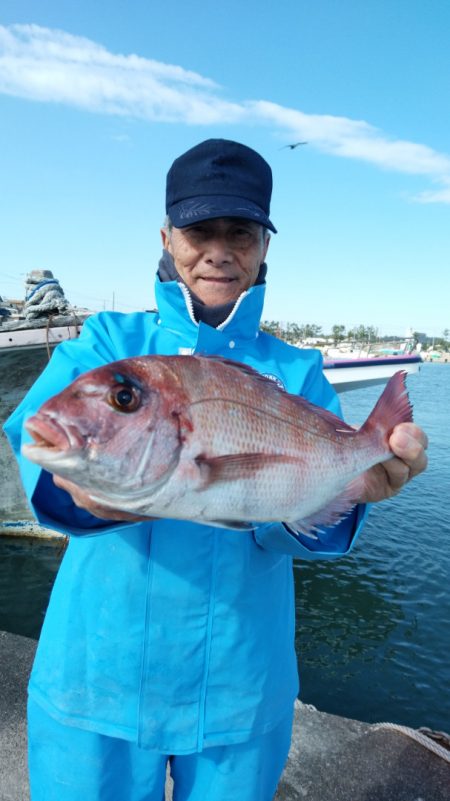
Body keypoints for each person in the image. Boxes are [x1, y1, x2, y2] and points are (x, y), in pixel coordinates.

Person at [4, 139, 428, 801]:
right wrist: (80, 491)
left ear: (264, 244)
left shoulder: (298, 373)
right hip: (96, 675)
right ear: (167, 236)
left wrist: (355, 486)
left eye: (241, 231)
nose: (219, 250)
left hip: (240, 685)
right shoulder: (108, 344)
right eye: (200, 229)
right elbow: (31, 442)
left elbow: (290, 517)